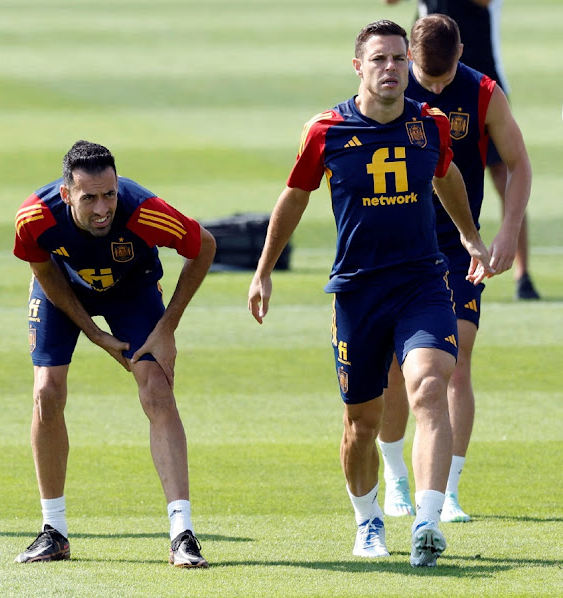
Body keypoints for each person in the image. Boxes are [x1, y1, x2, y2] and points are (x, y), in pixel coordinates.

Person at [248, 20, 493, 567]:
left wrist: (470, 236)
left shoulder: (430, 125)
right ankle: (368, 522)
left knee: (431, 386)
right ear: (358, 67)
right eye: (379, 60)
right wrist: (263, 270)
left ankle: (428, 521)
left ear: (410, 65)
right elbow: (293, 198)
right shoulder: (327, 130)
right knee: (361, 421)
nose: (391, 69)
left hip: (423, 282)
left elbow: (446, 176)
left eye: (399, 60)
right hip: (357, 291)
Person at [13, 140, 216, 567]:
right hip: (62, 294)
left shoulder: (145, 211)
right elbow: (43, 268)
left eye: (110, 193)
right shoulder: (35, 217)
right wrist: (91, 332)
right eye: (89, 198)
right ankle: (54, 531)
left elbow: (204, 247)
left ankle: (183, 534)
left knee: (157, 390)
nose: (103, 208)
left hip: (133, 291)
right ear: (67, 194)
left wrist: (167, 329)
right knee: (47, 393)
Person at [377, 14, 532, 523]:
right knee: (398, 370)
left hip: (458, 251)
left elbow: (519, 162)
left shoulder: (484, 92)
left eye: (445, 79)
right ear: (410, 60)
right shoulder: (390, 89)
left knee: (455, 363)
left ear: (462, 52)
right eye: (429, 78)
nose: (437, 89)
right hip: (399, 249)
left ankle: (448, 491)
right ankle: (397, 478)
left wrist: (507, 231)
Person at [384, 0, 540, 300]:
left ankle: (521, 271)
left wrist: (506, 231)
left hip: (476, 72)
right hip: (423, 69)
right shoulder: (400, 80)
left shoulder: (483, 89)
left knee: (499, 173)